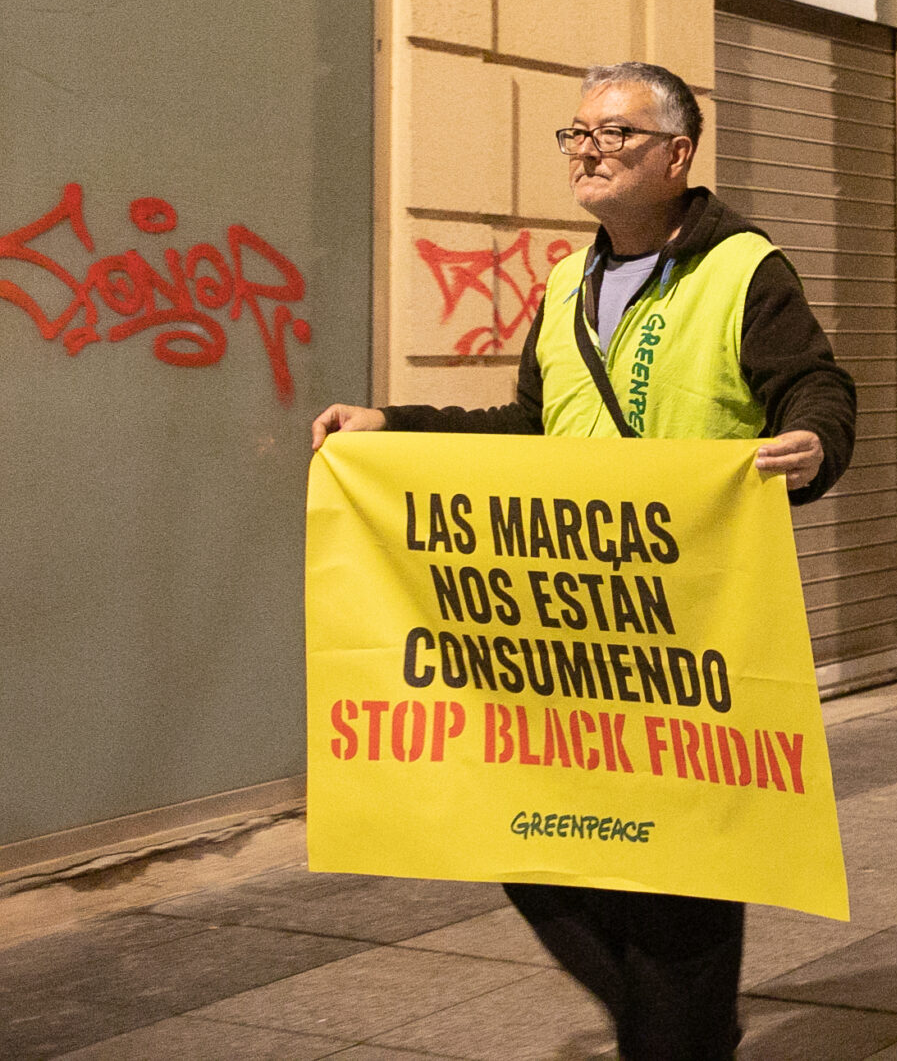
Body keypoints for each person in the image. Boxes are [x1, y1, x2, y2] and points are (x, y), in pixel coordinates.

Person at [309, 62, 858, 1061]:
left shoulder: (743, 270)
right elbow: (530, 425)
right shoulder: (567, 283)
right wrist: (394, 426)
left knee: (678, 900)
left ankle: (679, 1032)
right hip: (573, 640)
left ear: (678, 156)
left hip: (691, 642)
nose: (591, 150)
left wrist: (814, 443)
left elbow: (817, 387)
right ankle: (683, 1032)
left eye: (617, 134)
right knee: (528, 850)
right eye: (578, 134)